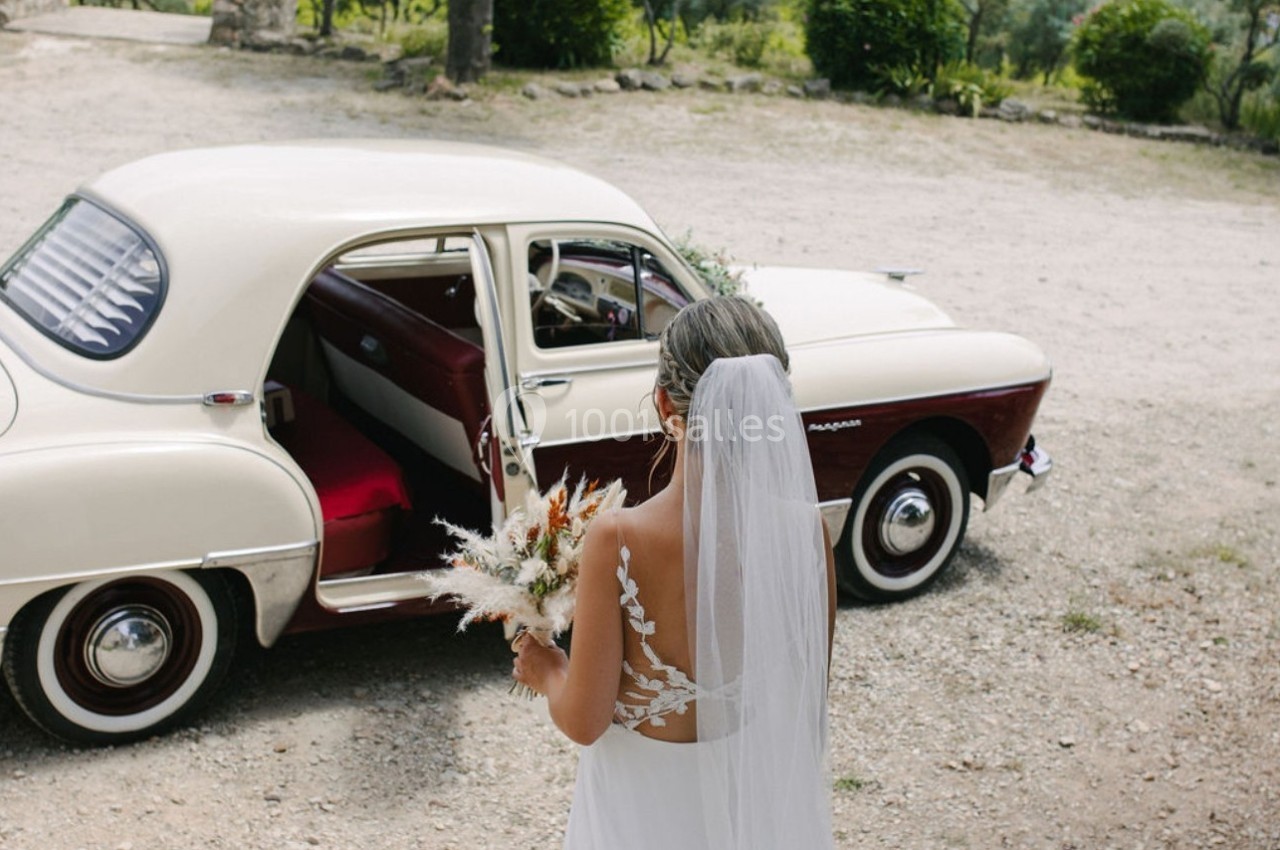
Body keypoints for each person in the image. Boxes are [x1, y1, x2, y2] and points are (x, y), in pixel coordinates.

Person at [512, 296, 837, 849]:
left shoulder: (618, 538)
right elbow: (806, 704)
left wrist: (545, 668)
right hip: (748, 807)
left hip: (640, 813)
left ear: (664, 402)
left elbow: (585, 720)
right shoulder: (807, 533)